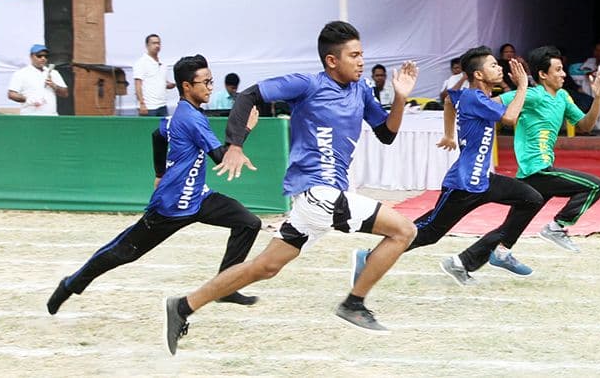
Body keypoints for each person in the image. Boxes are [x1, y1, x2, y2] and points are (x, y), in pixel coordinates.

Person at [162, 21, 419, 355]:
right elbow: (250, 95)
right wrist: (235, 144)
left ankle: (183, 305)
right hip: (319, 193)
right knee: (403, 232)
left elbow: (386, 133)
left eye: (362, 54)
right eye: (354, 55)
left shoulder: (361, 90)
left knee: (264, 268)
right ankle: (354, 302)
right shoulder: (306, 84)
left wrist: (400, 98)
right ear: (331, 60)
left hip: (319, 201)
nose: (361, 61)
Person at [46, 54, 260, 316]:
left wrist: (159, 172)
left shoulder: (185, 113)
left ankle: (225, 286)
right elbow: (222, 158)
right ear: (186, 87)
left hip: (199, 199)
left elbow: (158, 135)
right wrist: (245, 129)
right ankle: (70, 285)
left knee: (249, 223)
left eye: (211, 81)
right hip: (170, 207)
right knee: (121, 252)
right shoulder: (191, 118)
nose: (210, 87)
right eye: (204, 82)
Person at [398, 46, 542, 285]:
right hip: (464, 183)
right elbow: (509, 118)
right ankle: (372, 256)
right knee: (428, 233)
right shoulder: (475, 97)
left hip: (483, 180)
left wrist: (448, 135)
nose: (499, 68)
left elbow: (447, 102)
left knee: (531, 199)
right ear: (478, 75)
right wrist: (523, 86)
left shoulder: (471, 97)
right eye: (493, 65)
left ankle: (488, 254)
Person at [501, 46, 600, 253]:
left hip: (537, 170)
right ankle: (557, 227)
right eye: (557, 70)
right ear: (542, 74)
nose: (564, 74)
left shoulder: (563, 96)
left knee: (511, 228)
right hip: (536, 169)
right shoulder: (533, 95)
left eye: (562, 69)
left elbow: (585, 126)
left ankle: (470, 260)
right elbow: (491, 103)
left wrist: (599, 98)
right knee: (594, 186)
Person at [7, 44, 69, 115]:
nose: (43, 58)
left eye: (46, 56)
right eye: (39, 56)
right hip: (30, 116)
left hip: (51, 116)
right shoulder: (21, 73)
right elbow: (11, 94)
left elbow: (65, 93)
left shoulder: (53, 73)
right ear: (31, 56)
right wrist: (28, 99)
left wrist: (54, 85)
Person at [134, 34, 175, 116]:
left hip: (162, 105)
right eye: (154, 43)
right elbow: (137, 84)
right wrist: (142, 103)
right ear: (147, 45)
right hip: (149, 107)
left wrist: (170, 84)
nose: (157, 46)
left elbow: (160, 81)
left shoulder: (162, 63)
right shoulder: (141, 63)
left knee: (164, 128)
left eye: (158, 43)